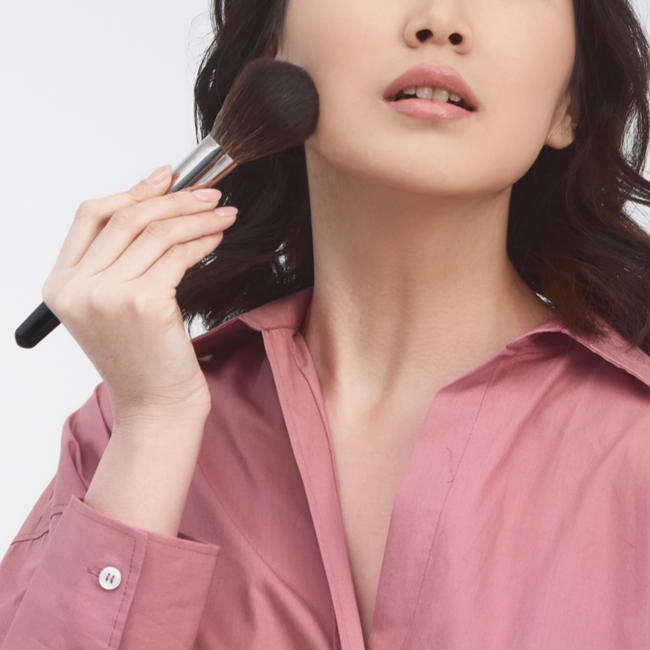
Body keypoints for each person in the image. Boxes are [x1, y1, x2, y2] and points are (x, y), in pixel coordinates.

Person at [2, 0, 650, 647]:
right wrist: (154, 426)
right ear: (273, 48)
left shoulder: (634, 447)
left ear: (570, 102)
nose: (441, 19)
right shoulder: (127, 434)